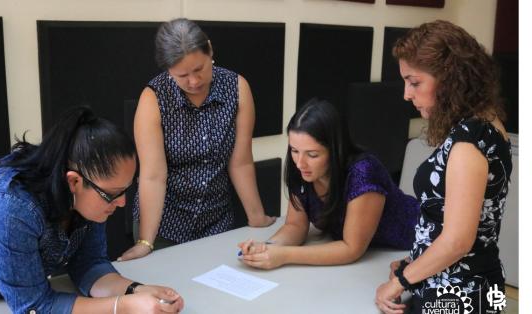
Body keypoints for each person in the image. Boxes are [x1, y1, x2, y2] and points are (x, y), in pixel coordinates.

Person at [0, 107, 184, 313]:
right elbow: (35, 307)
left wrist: (136, 290)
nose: (122, 202)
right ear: (74, 181)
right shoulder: (10, 209)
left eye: (125, 190)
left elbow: (89, 264)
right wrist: (124, 307)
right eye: (114, 193)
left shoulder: (89, 191)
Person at [375, 20, 512, 314]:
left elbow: (457, 242)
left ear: (449, 79)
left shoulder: (469, 142)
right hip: (472, 287)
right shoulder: (483, 124)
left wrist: (401, 280)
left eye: (414, 82)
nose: (406, 94)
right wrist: (415, 264)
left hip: (463, 296)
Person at [119, 18, 275, 261]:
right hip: (164, 224)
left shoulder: (236, 87)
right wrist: (145, 242)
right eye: (182, 75)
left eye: (199, 69)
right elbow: (153, 175)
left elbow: (241, 161)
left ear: (210, 50)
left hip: (216, 221)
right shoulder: (154, 98)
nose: (193, 81)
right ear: (168, 70)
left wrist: (257, 217)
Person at [237, 98, 420, 270]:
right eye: (294, 150)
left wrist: (284, 255)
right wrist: (267, 248)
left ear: (336, 149)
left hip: (419, 243)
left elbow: (352, 249)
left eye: (312, 154)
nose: (300, 163)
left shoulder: (364, 172)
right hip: (377, 254)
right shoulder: (302, 169)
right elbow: (295, 226)